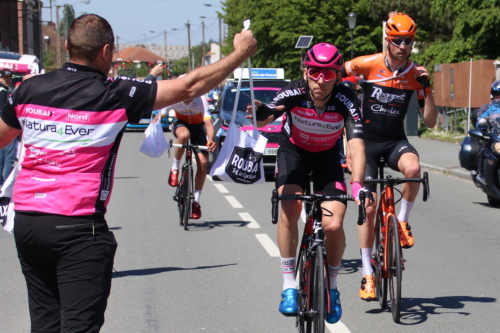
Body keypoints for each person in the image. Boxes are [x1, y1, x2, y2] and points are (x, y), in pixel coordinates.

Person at [0, 14, 256, 332]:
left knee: (45, 323)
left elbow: (2, 137)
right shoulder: (114, 93)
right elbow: (188, 86)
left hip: (27, 221)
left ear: (66, 46)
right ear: (107, 51)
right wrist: (240, 53)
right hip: (77, 227)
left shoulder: (27, 89)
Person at [249, 43, 369, 323]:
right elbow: (271, 110)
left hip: (328, 160)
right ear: (306, 71)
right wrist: (260, 113)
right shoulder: (295, 91)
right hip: (294, 154)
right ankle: (289, 284)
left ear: (338, 76)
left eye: (328, 74)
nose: (320, 80)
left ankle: (333, 287)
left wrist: (357, 183)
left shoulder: (346, 98)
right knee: (289, 209)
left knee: (334, 224)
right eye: (315, 72)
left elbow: (357, 143)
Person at [343, 12, 437, 301]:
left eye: (409, 41)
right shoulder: (369, 64)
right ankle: (367, 274)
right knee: (368, 210)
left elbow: (431, 122)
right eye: (398, 41)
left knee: (414, 167)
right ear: (388, 39)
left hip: (395, 141)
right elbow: (338, 71)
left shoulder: (415, 75)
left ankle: (403, 221)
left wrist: (427, 88)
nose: (404, 47)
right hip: (367, 144)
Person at [167, 90, 216, 219]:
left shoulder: (201, 100)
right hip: (180, 124)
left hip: (197, 127)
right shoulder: (175, 95)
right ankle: (175, 168)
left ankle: (196, 201)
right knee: (184, 135)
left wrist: (210, 140)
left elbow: (209, 125)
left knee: (203, 163)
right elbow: (159, 113)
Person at [0, 68, 18, 187]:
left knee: (2, 157)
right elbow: (2, 111)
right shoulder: (2, 91)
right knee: (8, 156)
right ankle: (6, 184)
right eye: (6, 77)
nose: (8, 80)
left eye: (10, 77)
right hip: (4, 126)